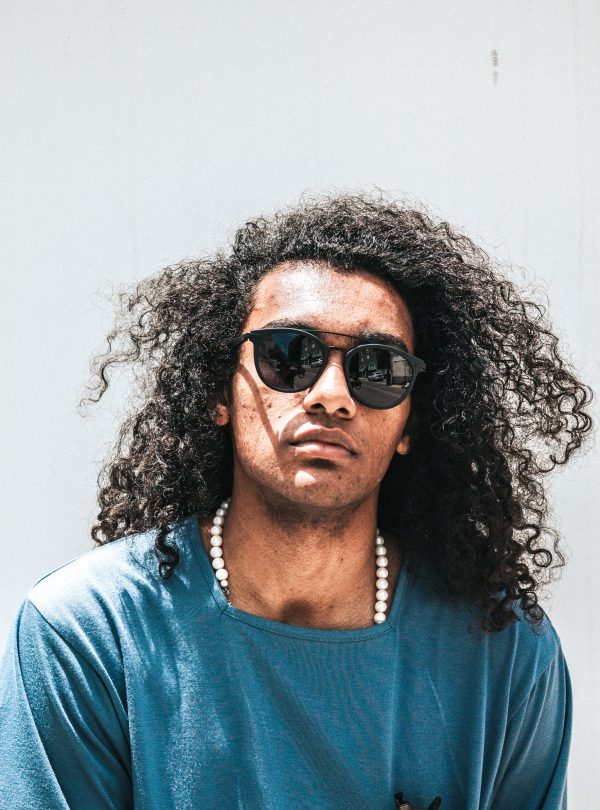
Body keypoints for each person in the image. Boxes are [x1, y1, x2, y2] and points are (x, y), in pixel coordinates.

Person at [0, 193, 593, 810]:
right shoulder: (89, 634)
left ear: (412, 421)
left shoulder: (502, 651)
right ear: (219, 392)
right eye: (287, 356)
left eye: (379, 369)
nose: (332, 395)